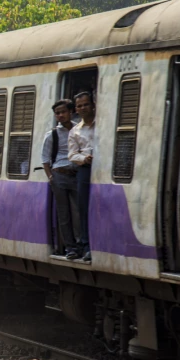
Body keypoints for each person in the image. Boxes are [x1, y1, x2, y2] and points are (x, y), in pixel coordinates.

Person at [41, 100, 80, 257]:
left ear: (71, 112)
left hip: (76, 174)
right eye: (57, 113)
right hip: (59, 175)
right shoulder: (52, 135)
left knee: (79, 212)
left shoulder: (79, 130)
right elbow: (45, 159)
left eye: (63, 112)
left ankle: (82, 245)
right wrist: (50, 176)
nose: (60, 115)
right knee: (64, 214)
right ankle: (70, 248)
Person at [67, 92, 96, 262]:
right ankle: (87, 246)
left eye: (86, 104)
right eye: (79, 106)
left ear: (93, 105)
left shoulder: (103, 124)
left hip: (104, 166)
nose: (83, 108)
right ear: (76, 110)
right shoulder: (75, 131)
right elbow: (72, 155)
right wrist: (84, 159)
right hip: (85, 168)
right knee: (84, 207)